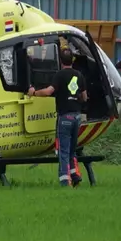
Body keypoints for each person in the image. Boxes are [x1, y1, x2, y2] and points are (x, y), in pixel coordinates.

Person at [26, 48, 88, 187]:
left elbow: (49, 92)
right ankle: (75, 175)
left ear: (60, 61)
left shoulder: (59, 75)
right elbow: (84, 97)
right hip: (77, 117)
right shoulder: (79, 75)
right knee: (72, 150)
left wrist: (34, 92)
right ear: (72, 60)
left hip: (65, 117)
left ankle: (65, 181)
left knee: (63, 151)